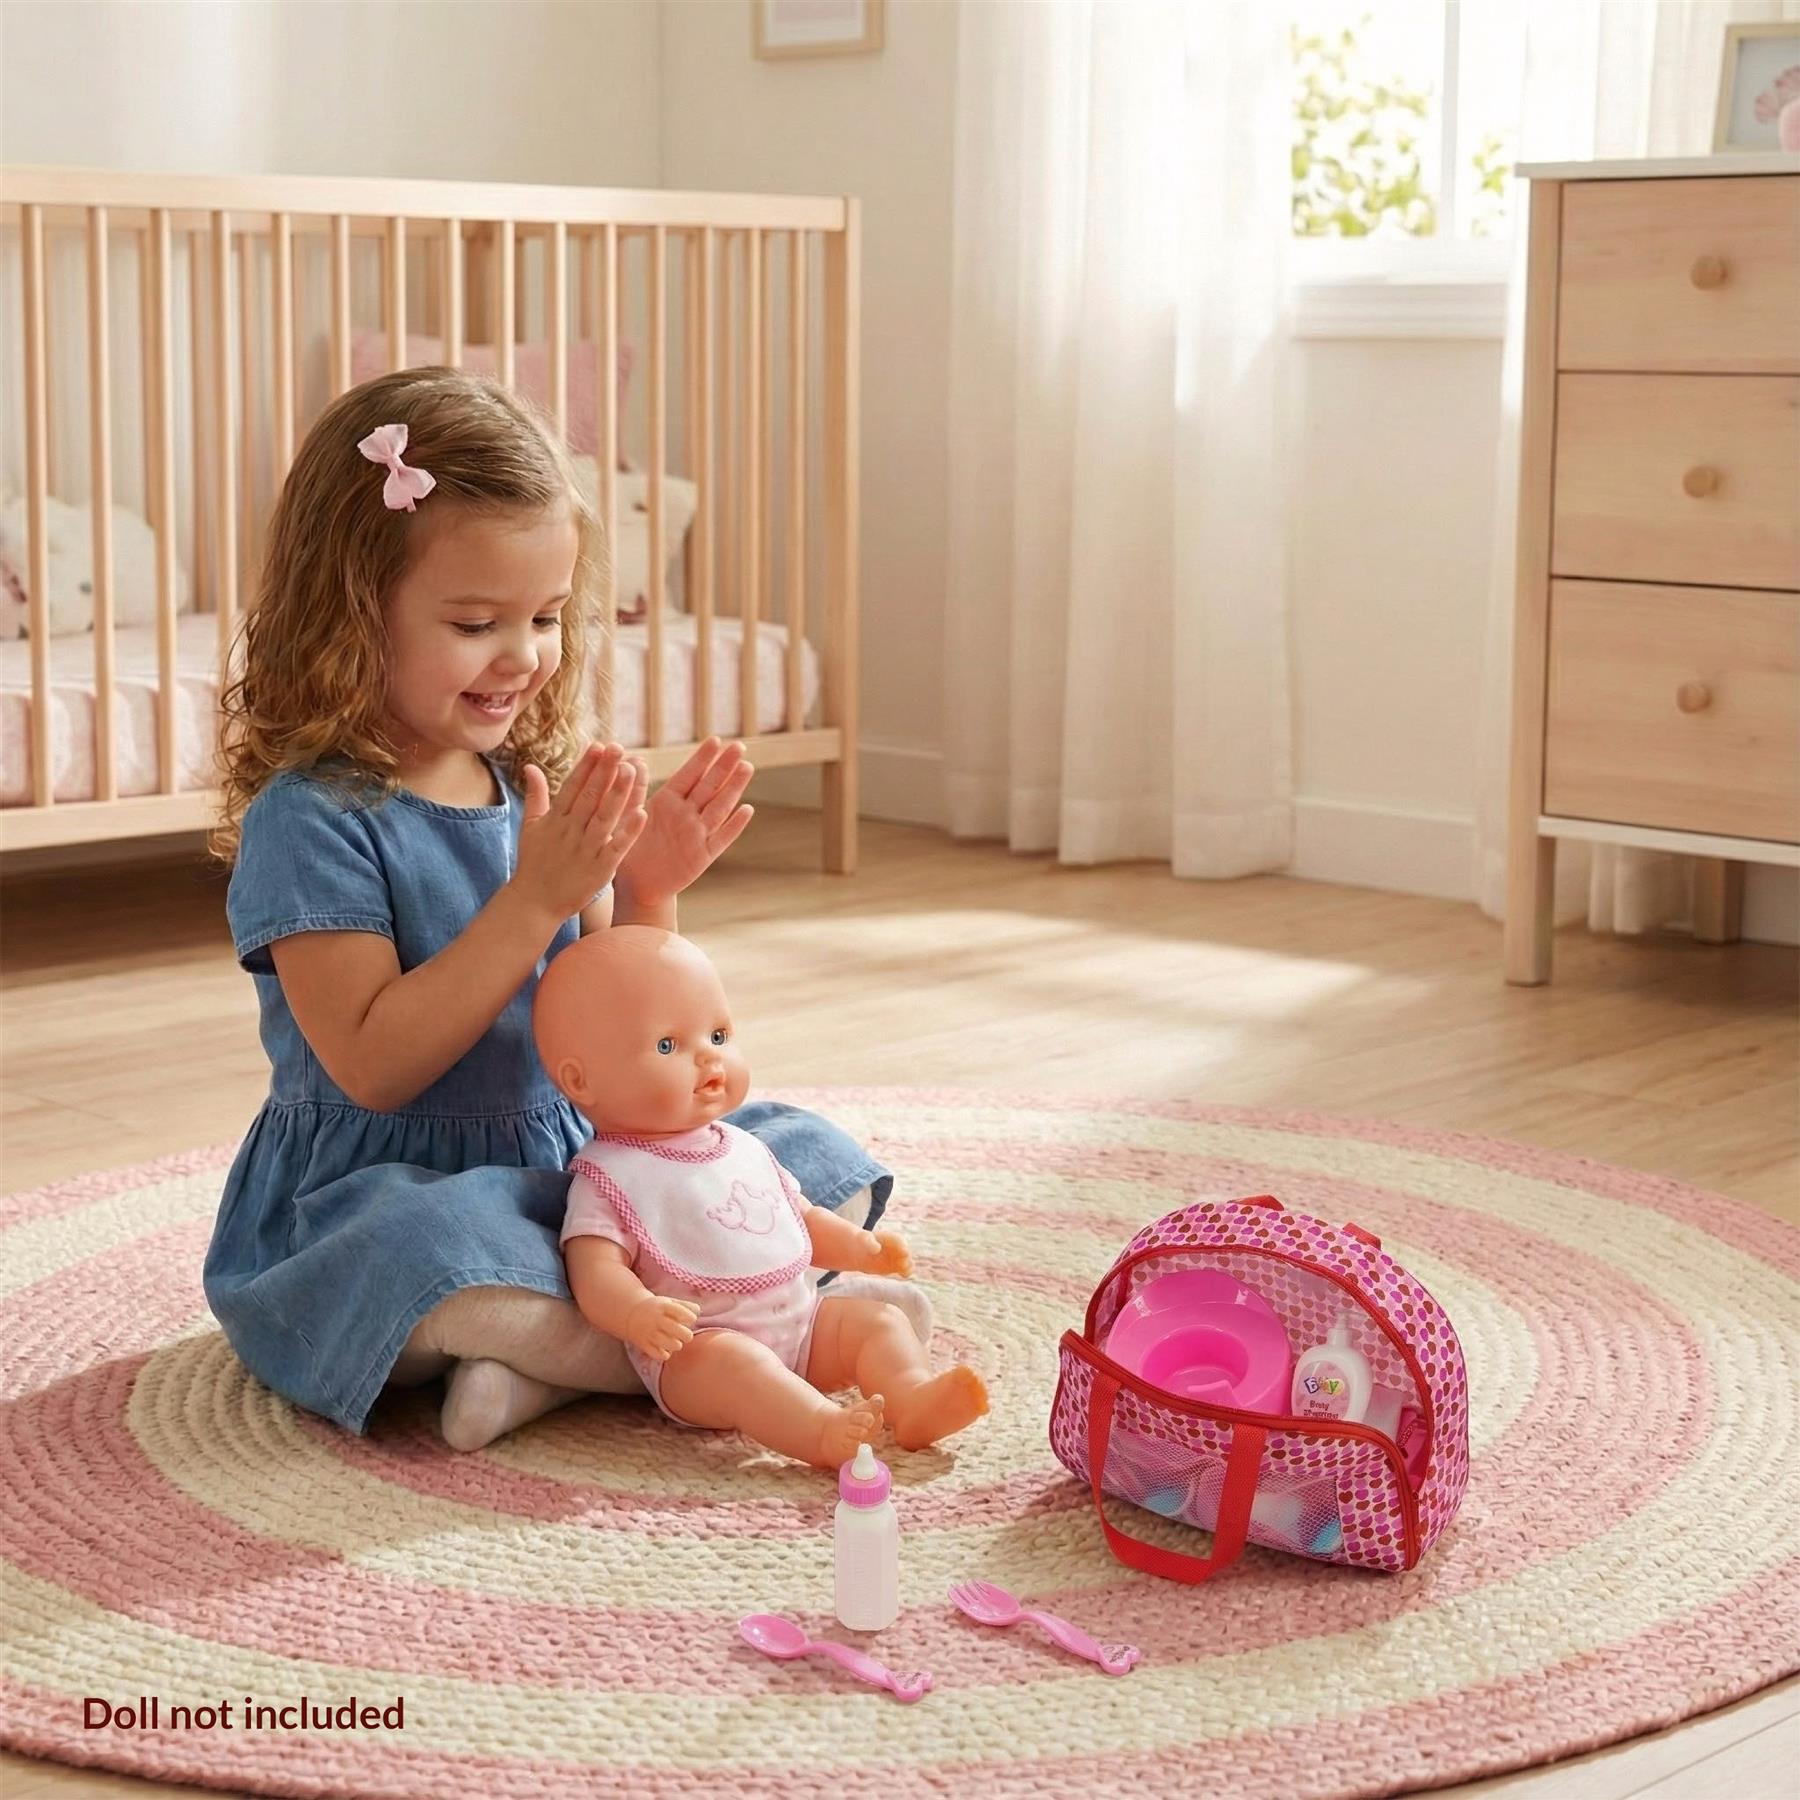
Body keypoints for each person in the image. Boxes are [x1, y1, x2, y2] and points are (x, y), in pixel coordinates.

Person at [203, 366, 897, 1452]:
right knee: (421, 1254)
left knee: (799, 1156)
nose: (524, 655)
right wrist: (533, 899)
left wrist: (649, 889)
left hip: (569, 1167)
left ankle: (557, 1365)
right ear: (351, 613)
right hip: (391, 1180)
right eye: (478, 621)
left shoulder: (526, 778)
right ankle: (677, 1345)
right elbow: (376, 1065)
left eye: (549, 616)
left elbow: (618, 1024)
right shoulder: (315, 817)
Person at [537, 927, 987, 1468]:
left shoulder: (742, 1147)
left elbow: (798, 1218)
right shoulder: (609, 1178)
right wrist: (638, 1313)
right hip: (698, 1355)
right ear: (580, 1082)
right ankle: (820, 1432)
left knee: (880, 1322)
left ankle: (911, 1399)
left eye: (720, 1035)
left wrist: (857, 1249)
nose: (709, 1061)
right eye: (667, 1045)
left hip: (802, 1325)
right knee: (741, 1367)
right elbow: (594, 1271)